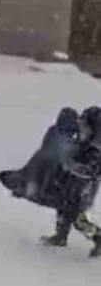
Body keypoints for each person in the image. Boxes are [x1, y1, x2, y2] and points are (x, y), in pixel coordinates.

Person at [42, 105, 101, 254]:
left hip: (85, 184)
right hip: (73, 181)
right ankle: (60, 236)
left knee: (75, 215)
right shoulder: (82, 138)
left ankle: (98, 237)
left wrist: (71, 165)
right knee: (62, 205)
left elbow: (92, 172)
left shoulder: (96, 149)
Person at [0, 106, 79, 207]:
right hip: (46, 162)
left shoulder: (72, 137)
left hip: (53, 164)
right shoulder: (54, 132)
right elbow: (50, 150)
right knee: (37, 171)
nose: (68, 132)